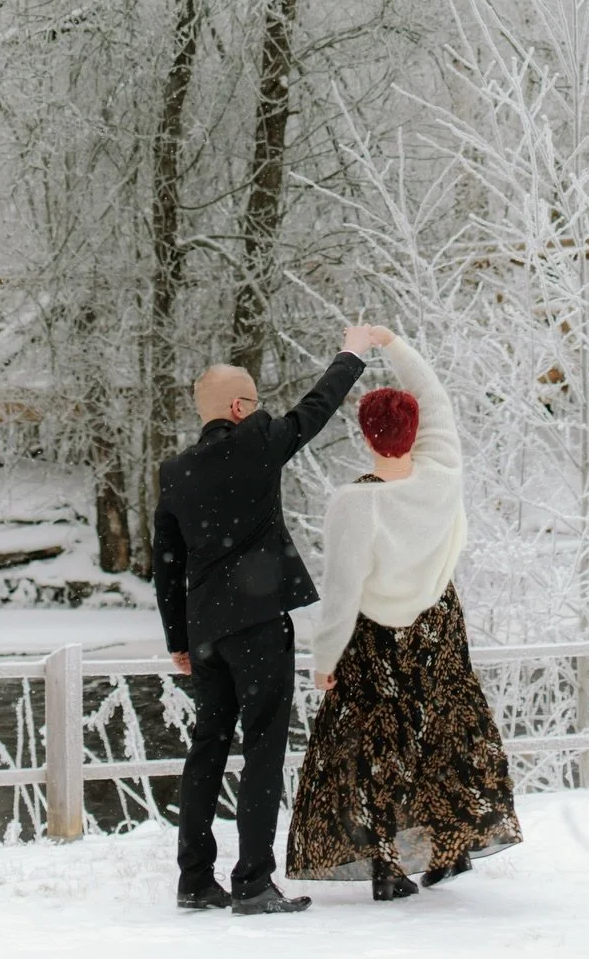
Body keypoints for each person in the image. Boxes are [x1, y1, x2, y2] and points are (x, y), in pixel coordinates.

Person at [286, 325, 521, 901]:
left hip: (375, 635)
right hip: (438, 622)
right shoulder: (442, 473)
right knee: (444, 729)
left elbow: (343, 591)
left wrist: (324, 659)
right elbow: (435, 396)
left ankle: (388, 865)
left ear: (366, 436)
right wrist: (391, 343)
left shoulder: (356, 504)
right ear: (415, 431)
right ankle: (452, 847)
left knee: (374, 744)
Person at [154, 326, 371, 916]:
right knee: (264, 748)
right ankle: (252, 881)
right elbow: (315, 410)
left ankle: (195, 881)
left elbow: (165, 565)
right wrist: (352, 353)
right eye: (253, 401)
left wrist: (180, 638)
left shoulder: (174, 472)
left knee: (207, 749)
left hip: (206, 635)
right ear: (238, 407)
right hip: (257, 625)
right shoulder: (256, 443)